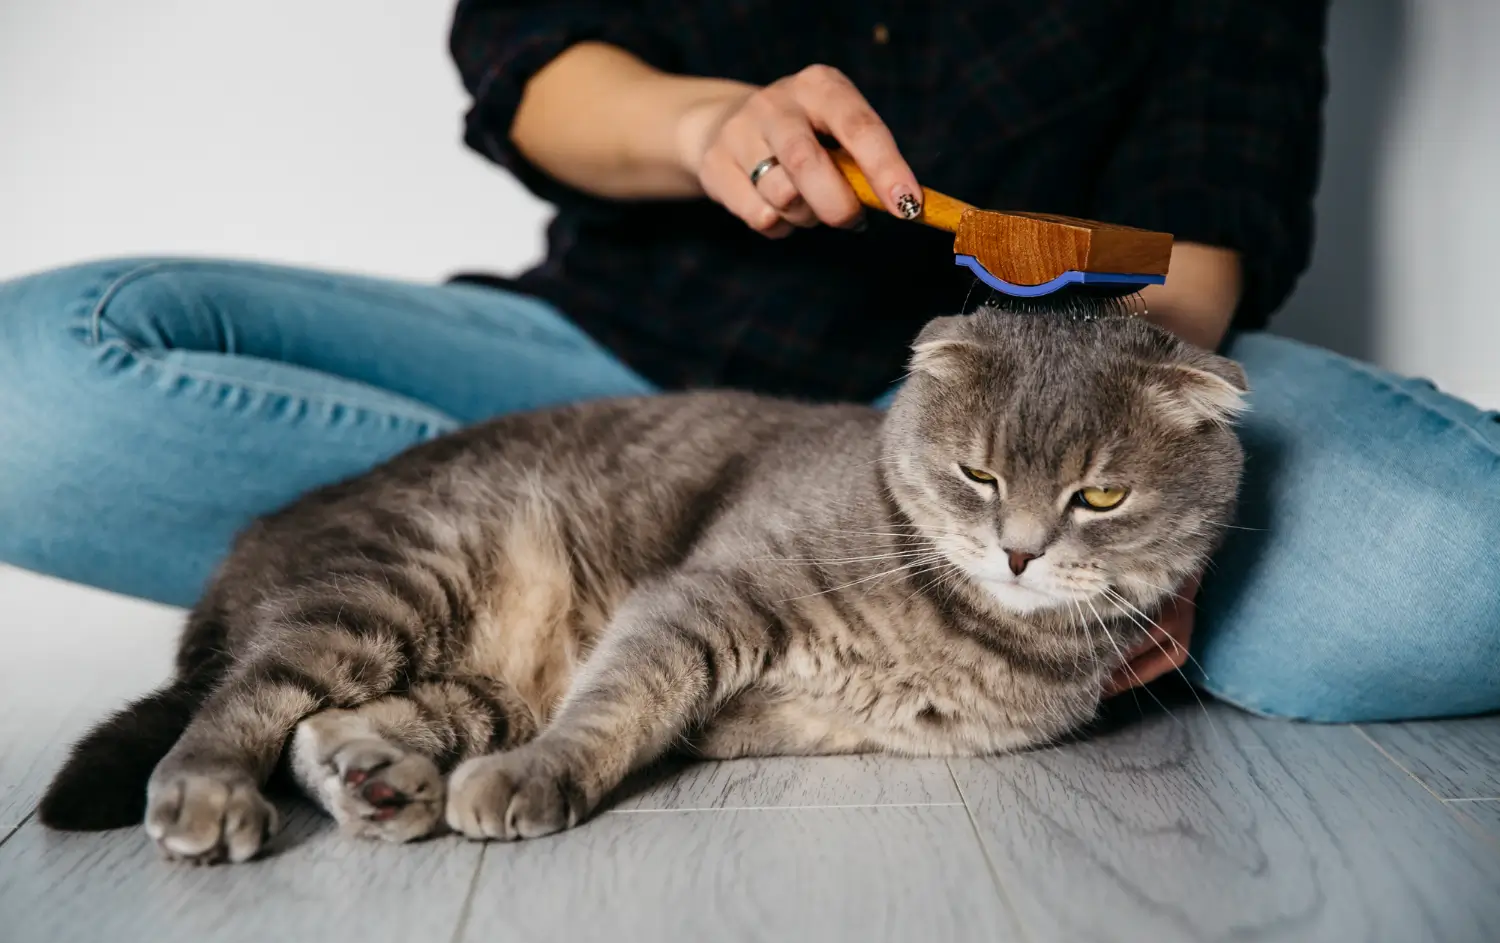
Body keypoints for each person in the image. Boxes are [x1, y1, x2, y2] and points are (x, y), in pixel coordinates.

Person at [0, 1, 1495, 723]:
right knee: (32, 387)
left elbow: (1205, 252)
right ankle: (566, 599)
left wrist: (1122, 510)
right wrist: (704, 128)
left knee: (1458, 575)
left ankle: (574, 638)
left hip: (1014, 453)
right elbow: (523, 64)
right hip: (590, 380)